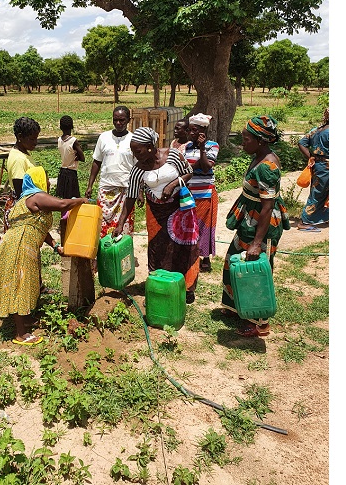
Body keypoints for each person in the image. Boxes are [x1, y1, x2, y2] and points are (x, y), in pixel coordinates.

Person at [0, 166, 88, 345]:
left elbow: (39, 228)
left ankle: (24, 319)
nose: (49, 184)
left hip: (21, 244)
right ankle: (21, 334)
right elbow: (62, 205)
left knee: (26, 282)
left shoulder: (26, 198)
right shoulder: (36, 196)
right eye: (46, 179)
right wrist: (82, 200)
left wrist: (55, 246)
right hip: (19, 245)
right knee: (20, 284)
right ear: (39, 180)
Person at [113, 127, 200, 304]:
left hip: (180, 210)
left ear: (151, 147)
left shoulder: (173, 155)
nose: (134, 154)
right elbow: (130, 196)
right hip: (156, 213)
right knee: (158, 250)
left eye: (138, 150)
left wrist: (173, 184)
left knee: (184, 248)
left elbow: (189, 172)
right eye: (133, 150)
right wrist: (120, 223)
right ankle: (161, 285)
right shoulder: (137, 170)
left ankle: (187, 288)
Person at [221, 116, 291, 337]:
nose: (243, 143)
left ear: (260, 141)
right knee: (233, 261)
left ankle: (259, 322)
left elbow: (267, 207)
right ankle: (238, 307)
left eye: (246, 139)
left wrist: (257, 243)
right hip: (248, 221)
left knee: (255, 269)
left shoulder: (267, 166)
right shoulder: (259, 156)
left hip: (261, 226)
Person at [85, 106, 136, 238]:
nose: (118, 123)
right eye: (115, 120)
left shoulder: (134, 139)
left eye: (122, 120)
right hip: (106, 187)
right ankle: (105, 254)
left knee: (124, 226)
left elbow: (138, 167)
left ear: (128, 120)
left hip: (126, 189)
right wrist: (90, 185)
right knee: (102, 225)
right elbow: (97, 161)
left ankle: (121, 256)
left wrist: (139, 191)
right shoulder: (104, 137)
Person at [183, 114, 220, 273]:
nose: (190, 133)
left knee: (205, 227)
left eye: (194, 130)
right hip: (189, 193)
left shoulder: (213, 146)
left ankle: (205, 257)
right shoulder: (187, 147)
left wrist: (202, 148)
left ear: (203, 131)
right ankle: (192, 256)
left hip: (205, 193)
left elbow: (206, 167)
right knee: (191, 225)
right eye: (190, 130)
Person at [297, 106, 329, 231]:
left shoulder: (316, 130)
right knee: (319, 194)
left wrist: (311, 157)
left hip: (318, 166)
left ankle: (319, 217)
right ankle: (305, 221)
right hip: (327, 167)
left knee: (318, 193)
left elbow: (301, 143)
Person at [55, 115, 85, 241]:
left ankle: (64, 220)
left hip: (62, 172)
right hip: (71, 173)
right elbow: (82, 157)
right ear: (72, 126)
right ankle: (71, 222)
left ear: (61, 127)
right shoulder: (73, 141)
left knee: (64, 199)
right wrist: (77, 155)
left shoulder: (59, 140)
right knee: (74, 199)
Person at [7, 117, 41, 198]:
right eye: (32, 139)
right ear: (20, 137)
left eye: (36, 138)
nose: (35, 142)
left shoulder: (23, 153)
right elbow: (21, 193)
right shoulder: (19, 159)